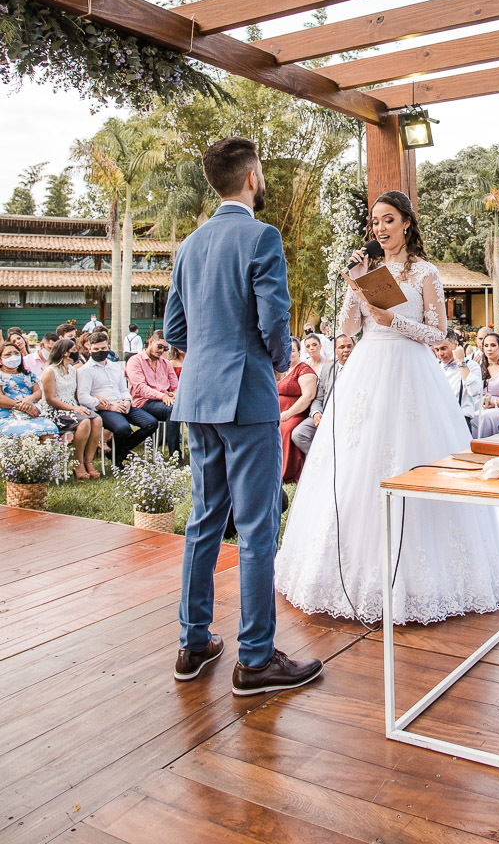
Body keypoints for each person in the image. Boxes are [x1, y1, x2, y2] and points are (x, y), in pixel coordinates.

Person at [276, 190, 499, 624]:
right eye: (374, 223)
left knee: (419, 459)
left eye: (388, 220)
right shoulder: (369, 271)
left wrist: (396, 321)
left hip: (412, 372)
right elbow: (349, 328)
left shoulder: (426, 272)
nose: (380, 229)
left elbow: (438, 333)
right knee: (359, 462)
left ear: (406, 223)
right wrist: (356, 280)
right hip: (367, 373)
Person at [163, 136, 322, 697]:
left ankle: (193, 643)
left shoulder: (189, 245)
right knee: (257, 528)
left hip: (197, 397)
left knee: (204, 520)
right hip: (248, 397)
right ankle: (255, 659)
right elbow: (274, 322)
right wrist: (280, 361)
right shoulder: (261, 236)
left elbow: (174, 332)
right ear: (252, 177)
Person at [77, 330, 157, 465]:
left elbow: (124, 389)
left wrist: (127, 401)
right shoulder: (85, 370)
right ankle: (118, 461)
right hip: (104, 408)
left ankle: (117, 451)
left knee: (151, 423)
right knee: (123, 429)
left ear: (108, 347)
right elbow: (83, 396)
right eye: (96, 349)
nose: (100, 351)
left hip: (121, 403)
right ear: (89, 349)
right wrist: (108, 406)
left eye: (103, 348)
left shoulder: (114, 367)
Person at [39, 338, 102, 478]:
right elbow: (50, 399)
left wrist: (80, 406)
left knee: (97, 420)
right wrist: (74, 409)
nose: (77, 354)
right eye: (74, 350)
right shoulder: (50, 371)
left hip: (72, 406)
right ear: (65, 353)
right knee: (84, 422)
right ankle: (77, 462)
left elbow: (74, 394)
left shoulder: (72, 371)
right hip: (55, 410)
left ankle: (89, 461)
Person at [291, 333, 354, 457]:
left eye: (349, 346)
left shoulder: (360, 369)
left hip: (347, 415)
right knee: (298, 434)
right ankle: (323, 459)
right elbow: (318, 397)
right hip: (325, 414)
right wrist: (316, 413)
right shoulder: (327, 369)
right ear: (335, 350)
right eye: (341, 347)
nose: (346, 350)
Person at [126, 333, 181, 458]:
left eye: (165, 348)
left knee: (181, 406)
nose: (162, 350)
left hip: (164, 401)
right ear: (151, 341)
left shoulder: (166, 363)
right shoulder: (135, 361)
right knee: (173, 410)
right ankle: (175, 455)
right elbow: (140, 388)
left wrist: (174, 394)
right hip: (143, 402)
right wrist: (162, 396)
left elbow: (176, 386)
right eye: (160, 346)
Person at [277, 338, 317, 481]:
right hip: (280, 413)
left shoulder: (304, 370)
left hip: (296, 414)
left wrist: (288, 413)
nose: (289, 354)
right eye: (286, 350)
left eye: (292, 350)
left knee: (285, 429)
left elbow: (308, 396)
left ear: (299, 352)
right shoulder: (283, 369)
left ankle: (288, 471)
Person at [0, 340, 58, 438]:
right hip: (8, 415)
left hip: (31, 412)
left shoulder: (28, 374)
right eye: (8, 354)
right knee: (29, 434)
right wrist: (21, 406)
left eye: (16, 353)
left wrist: (29, 400)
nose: (13, 357)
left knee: (50, 431)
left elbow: (38, 392)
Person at [434, 331, 482, 430]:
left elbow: (474, 391)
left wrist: (461, 362)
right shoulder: (434, 366)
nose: (440, 354)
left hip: (460, 419)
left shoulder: (471, 365)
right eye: (436, 349)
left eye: (443, 348)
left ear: (455, 344)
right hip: (438, 418)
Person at [472, 331, 499, 438]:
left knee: (484, 417)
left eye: (493, 345)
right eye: (486, 346)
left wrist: (495, 404)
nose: (489, 349)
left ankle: (484, 446)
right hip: (479, 404)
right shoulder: (478, 366)